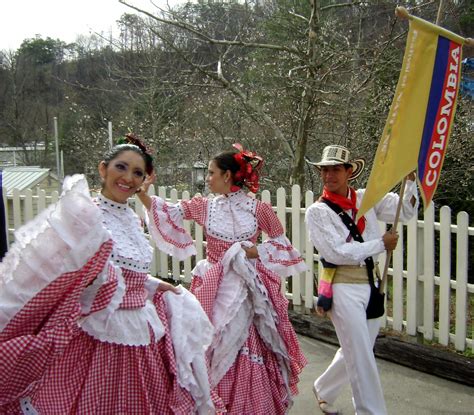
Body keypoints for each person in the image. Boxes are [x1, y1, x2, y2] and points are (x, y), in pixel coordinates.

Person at [0, 134, 216, 414]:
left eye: (138, 172)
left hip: (141, 332)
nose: (128, 177)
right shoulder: (84, 216)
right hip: (98, 334)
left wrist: (153, 285)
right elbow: (59, 275)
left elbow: (128, 271)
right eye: (121, 167)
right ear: (103, 169)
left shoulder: (134, 219)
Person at [137, 143, 308, 414]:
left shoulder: (258, 209)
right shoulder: (205, 207)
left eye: (211, 172)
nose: (207, 178)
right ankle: (210, 398)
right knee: (210, 336)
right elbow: (168, 211)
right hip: (213, 284)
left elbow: (282, 243)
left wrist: (256, 251)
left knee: (244, 339)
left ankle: (243, 403)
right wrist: (142, 193)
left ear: (227, 176)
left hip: (246, 285)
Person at [305, 144, 418, 415]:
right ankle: (370, 411)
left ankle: (324, 388)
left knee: (358, 349)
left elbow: (406, 211)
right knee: (362, 357)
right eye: (324, 170)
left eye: (335, 169)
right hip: (342, 286)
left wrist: (411, 181)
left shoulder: (367, 199)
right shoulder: (317, 212)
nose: (329, 175)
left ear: (348, 172)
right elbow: (336, 252)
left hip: (371, 285)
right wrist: (380, 244)